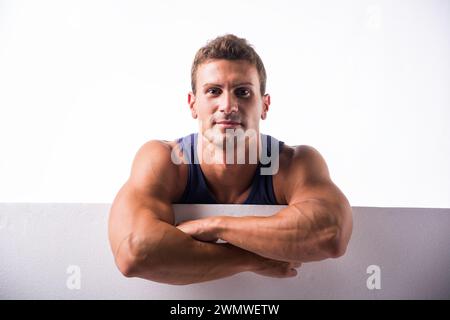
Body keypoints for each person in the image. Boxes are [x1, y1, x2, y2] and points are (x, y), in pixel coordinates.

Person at [108, 34, 353, 285]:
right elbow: (135, 253)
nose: (228, 105)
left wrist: (214, 227)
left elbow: (330, 233)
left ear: (264, 105)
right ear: (193, 104)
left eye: (243, 92)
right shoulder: (165, 161)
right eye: (213, 91)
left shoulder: (294, 164)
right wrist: (252, 260)